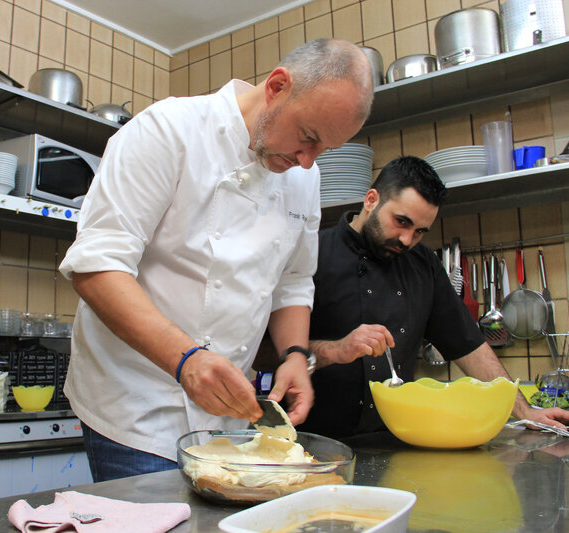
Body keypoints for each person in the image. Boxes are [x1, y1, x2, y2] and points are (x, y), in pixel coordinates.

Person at [58, 38, 375, 481]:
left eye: (325, 149)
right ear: (277, 86)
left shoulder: (305, 177)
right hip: (135, 408)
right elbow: (97, 268)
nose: (307, 162)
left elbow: (293, 280)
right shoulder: (168, 130)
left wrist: (294, 356)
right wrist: (186, 359)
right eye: (307, 136)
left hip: (227, 417)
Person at [291, 156, 569, 439]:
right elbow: (270, 353)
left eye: (420, 231)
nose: (407, 240)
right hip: (310, 443)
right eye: (402, 221)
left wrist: (524, 411)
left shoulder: (423, 264)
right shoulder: (310, 253)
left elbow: (469, 345)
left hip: (397, 441)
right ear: (371, 200)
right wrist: (336, 350)